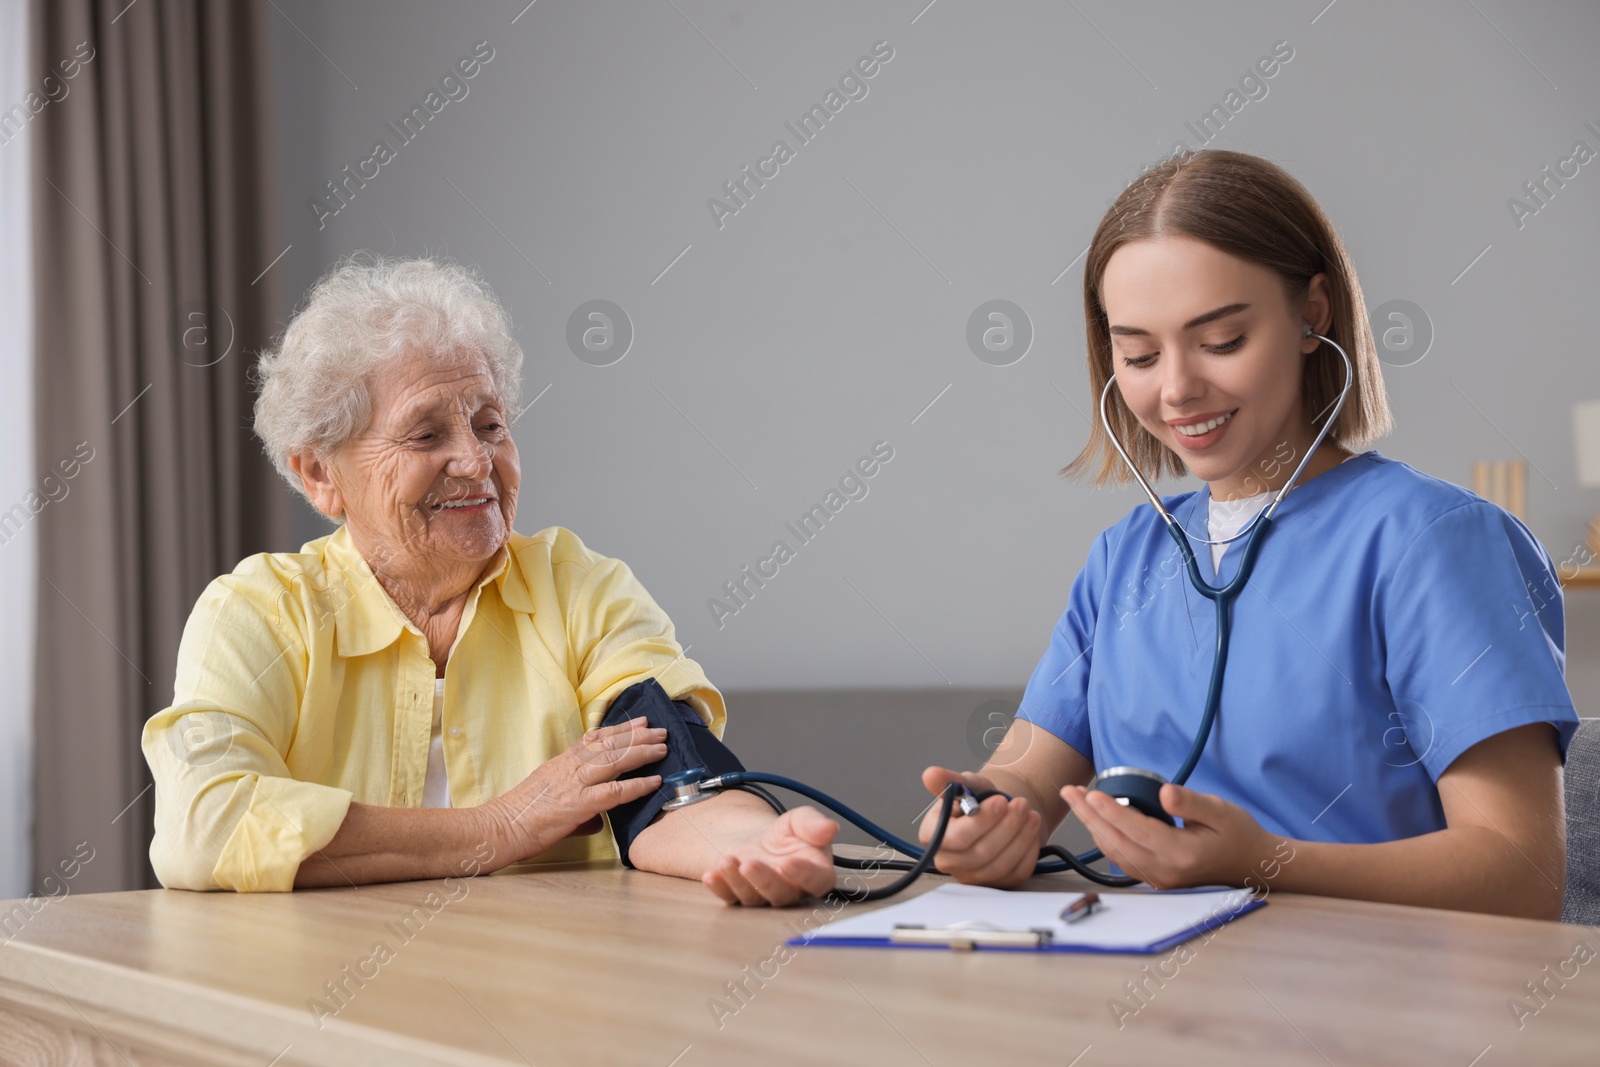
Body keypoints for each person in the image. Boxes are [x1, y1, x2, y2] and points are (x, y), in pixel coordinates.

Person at [918, 149, 1577, 918]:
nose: (1175, 389)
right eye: (1137, 353)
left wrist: (1261, 861)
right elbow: (1022, 782)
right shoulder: (1125, 558)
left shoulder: (1434, 541)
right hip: (1137, 1006)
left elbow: (1523, 871)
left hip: (1374, 1013)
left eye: (1221, 341)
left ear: (1313, 314)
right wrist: (974, 822)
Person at [141, 255, 838, 904]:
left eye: (490, 424)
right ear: (321, 474)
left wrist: (756, 844)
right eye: (425, 436)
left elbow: (672, 779)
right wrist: (499, 827)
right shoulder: (261, 612)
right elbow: (203, 826)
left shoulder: (579, 590)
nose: (477, 462)